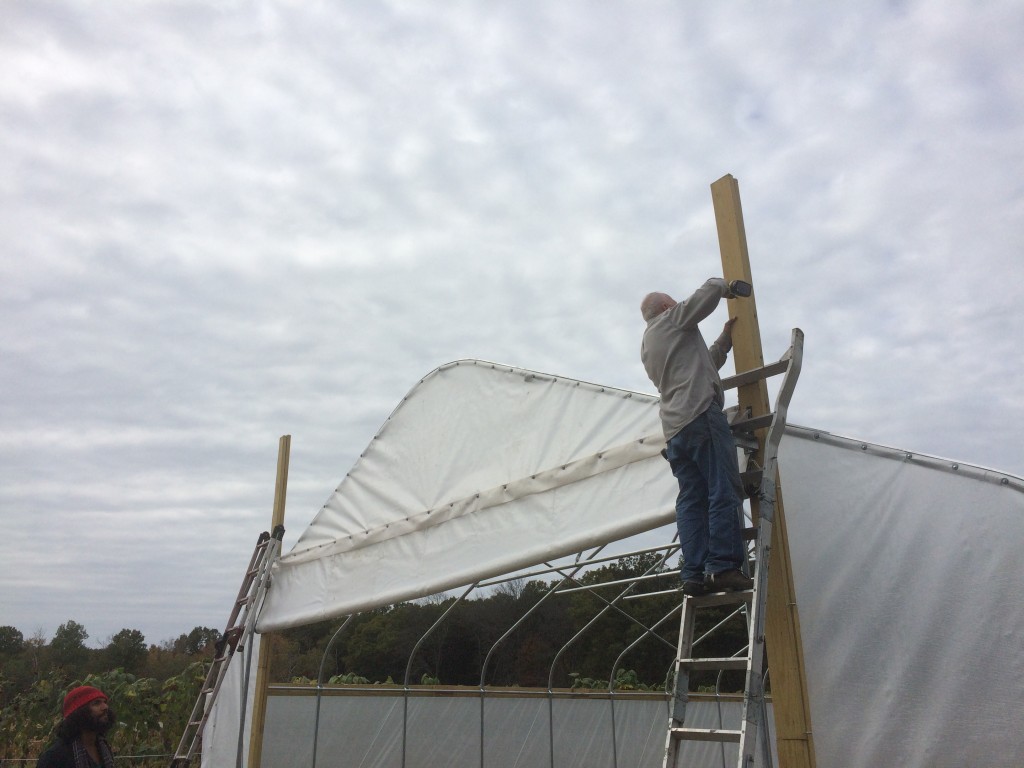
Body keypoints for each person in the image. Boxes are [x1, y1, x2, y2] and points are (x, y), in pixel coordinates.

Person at [640, 277, 753, 596]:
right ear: (664, 307)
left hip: (676, 432)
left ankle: (694, 574)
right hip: (701, 416)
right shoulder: (671, 318)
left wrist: (725, 341)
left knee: (692, 500)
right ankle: (723, 567)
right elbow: (703, 297)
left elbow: (703, 365)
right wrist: (725, 285)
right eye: (673, 301)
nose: (677, 304)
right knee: (724, 487)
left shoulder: (650, 344)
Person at [37, 686, 116, 768]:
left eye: (105, 702)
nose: (105, 707)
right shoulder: (55, 757)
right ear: (79, 713)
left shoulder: (103, 747)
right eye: (96, 703)